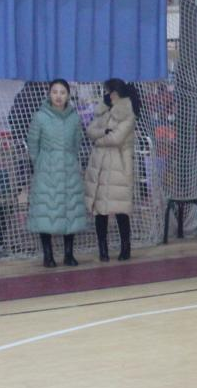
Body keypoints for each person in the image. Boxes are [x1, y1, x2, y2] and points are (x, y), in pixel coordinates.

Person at [26, 79, 86, 269]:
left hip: (69, 169)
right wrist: (41, 163)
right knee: (45, 212)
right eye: (55, 92)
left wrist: (69, 159)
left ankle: (69, 254)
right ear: (49, 94)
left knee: (70, 211)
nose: (58, 96)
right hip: (46, 170)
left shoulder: (74, 118)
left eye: (62, 92)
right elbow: (33, 144)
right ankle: (48, 255)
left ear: (68, 95)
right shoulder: (40, 117)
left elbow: (76, 143)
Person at [86, 78, 138, 262]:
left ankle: (126, 247)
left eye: (111, 92)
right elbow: (90, 130)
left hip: (119, 168)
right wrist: (103, 133)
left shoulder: (128, 114)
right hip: (101, 167)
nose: (109, 95)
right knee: (100, 211)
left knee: (121, 210)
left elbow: (116, 138)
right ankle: (103, 249)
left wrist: (98, 139)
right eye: (107, 92)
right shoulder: (103, 111)